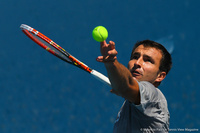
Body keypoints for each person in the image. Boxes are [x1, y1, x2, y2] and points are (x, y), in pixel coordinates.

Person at [96, 40, 172, 133]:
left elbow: (126, 85)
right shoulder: (130, 105)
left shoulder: (153, 96)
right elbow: (125, 86)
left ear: (160, 76)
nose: (137, 63)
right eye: (135, 57)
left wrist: (111, 62)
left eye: (148, 60)